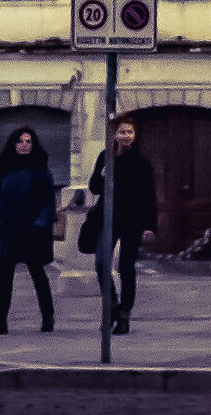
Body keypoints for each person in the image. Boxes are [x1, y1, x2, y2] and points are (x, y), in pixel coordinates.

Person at [85, 116, 159, 334]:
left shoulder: (141, 161)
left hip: (132, 220)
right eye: (122, 132)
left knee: (126, 267)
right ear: (114, 135)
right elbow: (94, 188)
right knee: (101, 263)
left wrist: (149, 224)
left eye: (130, 132)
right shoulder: (105, 157)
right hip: (107, 218)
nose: (127, 136)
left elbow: (149, 194)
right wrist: (103, 174)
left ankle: (125, 314)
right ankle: (112, 305)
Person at [0, 127, 58, 334]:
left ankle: (48, 316)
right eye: (20, 141)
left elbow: (49, 203)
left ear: (34, 145)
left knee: (37, 274)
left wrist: (41, 224)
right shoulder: (5, 171)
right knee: (4, 276)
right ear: (13, 145)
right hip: (7, 230)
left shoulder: (41, 173)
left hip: (31, 231)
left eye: (28, 141)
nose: (24, 145)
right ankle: (0, 321)